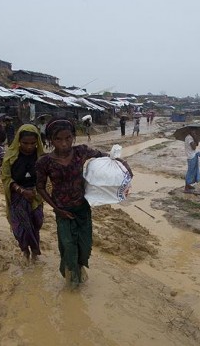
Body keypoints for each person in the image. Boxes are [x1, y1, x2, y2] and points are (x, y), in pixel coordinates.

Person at [36, 117, 133, 289]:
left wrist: (121, 162)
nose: (64, 143)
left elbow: (103, 156)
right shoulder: (44, 162)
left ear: (73, 137)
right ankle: (71, 281)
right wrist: (57, 209)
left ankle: (78, 271)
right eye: (58, 139)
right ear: (50, 140)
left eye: (68, 138)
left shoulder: (80, 151)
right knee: (68, 245)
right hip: (63, 211)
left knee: (84, 244)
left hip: (82, 207)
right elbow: (41, 188)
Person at [2, 124, 45, 262]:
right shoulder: (11, 157)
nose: (29, 147)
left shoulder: (41, 157)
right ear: (18, 141)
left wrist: (35, 191)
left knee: (36, 223)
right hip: (18, 196)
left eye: (33, 143)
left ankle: (34, 250)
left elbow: (45, 177)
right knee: (21, 227)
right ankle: (26, 251)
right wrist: (21, 191)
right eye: (25, 143)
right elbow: (6, 178)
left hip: (35, 196)